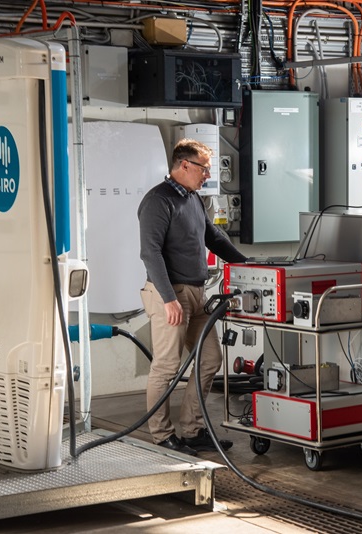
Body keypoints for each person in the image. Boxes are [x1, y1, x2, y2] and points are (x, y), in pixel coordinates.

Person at [138, 138, 247, 455]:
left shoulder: (194, 200)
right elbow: (151, 253)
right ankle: (161, 435)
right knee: (167, 367)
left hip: (197, 294)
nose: (207, 174)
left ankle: (192, 430)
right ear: (184, 165)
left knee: (210, 358)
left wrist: (249, 265)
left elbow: (213, 238)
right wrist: (169, 298)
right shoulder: (159, 201)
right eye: (204, 168)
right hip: (168, 294)